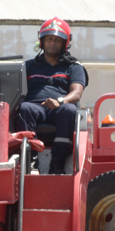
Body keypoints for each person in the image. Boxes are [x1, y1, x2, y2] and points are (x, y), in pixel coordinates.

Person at [13, 17, 87, 175]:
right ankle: (31, 160)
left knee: (69, 110)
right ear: (42, 41)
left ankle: (57, 162)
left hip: (59, 108)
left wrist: (60, 101)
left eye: (57, 40)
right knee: (24, 108)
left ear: (65, 43)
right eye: (49, 39)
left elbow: (76, 93)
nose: (52, 43)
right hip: (34, 108)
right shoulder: (27, 66)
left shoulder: (74, 67)